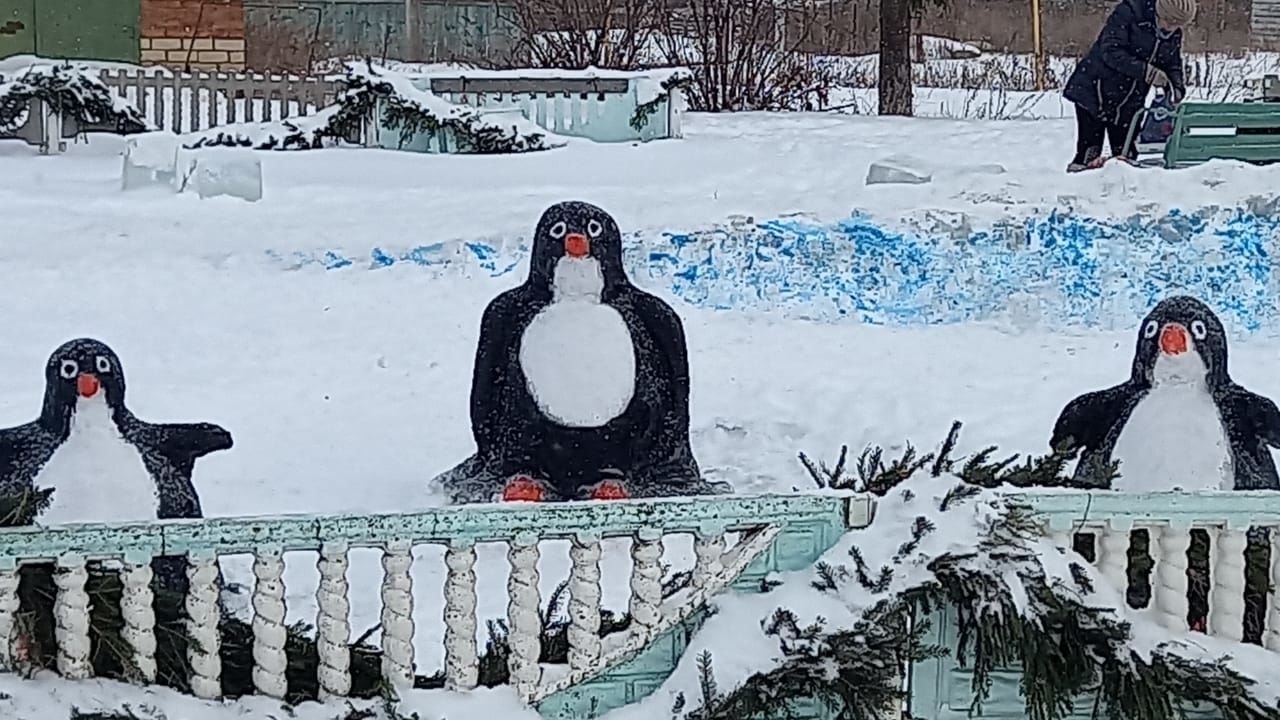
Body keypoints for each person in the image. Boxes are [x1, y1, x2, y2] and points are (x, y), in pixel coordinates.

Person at [1062, 0, 1195, 171]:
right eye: (1169, 22)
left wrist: (1176, 88)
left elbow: (1172, 63)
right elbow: (1110, 50)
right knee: (1089, 154)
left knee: (1126, 158)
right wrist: (1147, 72)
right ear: (1159, 12)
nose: (1171, 28)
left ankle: (1123, 195)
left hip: (1131, 101)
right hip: (1096, 91)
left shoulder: (1173, 34)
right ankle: (1081, 187)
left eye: (1178, 25)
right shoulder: (1130, 13)